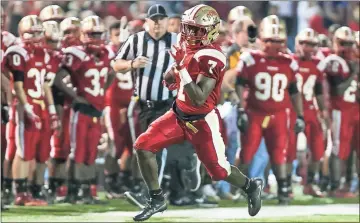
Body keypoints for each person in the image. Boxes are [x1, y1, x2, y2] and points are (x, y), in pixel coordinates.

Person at [130, 4, 263, 221]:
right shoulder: (188, 45)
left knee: (219, 172)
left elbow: (199, 96)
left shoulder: (213, 55)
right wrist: (172, 72)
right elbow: (171, 78)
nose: (190, 34)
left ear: (210, 30)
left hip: (203, 120)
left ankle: (250, 186)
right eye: (188, 28)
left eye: (196, 30)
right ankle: (156, 199)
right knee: (143, 147)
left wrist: (181, 68)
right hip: (178, 114)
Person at [235, 15, 305, 205]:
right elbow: (239, 84)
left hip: (279, 114)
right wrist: (241, 109)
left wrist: (300, 115)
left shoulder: (289, 61)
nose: (274, 44)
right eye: (269, 40)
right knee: (247, 152)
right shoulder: (250, 58)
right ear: (261, 39)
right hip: (255, 113)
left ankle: (283, 190)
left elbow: (294, 91)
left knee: (278, 153)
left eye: (277, 41)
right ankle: (240, 187)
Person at [54, 15, 115, 204]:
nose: (96, 38)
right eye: (92, 34)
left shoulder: (106, 53)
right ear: (84, 35)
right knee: (78, 151)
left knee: (91, 152)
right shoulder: (76, 53)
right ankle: (74, 190)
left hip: (96, 109)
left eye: (99, 33)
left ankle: (87, 189)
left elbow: (111, 73)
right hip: (80, 109)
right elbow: (58, 78)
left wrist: (102, 92)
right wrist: (76, 95)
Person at [4, 15, 60, 206]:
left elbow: (45, 86)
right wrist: (27, 107)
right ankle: (19, 192)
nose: (35, 37)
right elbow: (18, 86)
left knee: (41, 152)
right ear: (22, 33)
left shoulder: (45, 54)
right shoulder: (18, 52)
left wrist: (52, 110)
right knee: (23, 151)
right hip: (25, 105)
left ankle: (34, 190)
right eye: (31, 33)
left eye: (38, 32)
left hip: (41, 105)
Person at [318, 26, 358, 198]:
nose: (346, 47)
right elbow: (339, 89)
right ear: (334, 42)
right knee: (337, 148)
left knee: (351, 149)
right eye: (343, 43)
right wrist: (354, 73)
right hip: (339, 109)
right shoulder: (334, 60)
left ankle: (348, 184)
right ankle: (334, 185)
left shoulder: (353, 60)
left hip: (354, 109)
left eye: (350, 43)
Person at [292, 28, 330, 197]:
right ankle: (281, 183)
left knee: (318, 149)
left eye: (312, 44)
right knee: (285, 149)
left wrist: (324, 111)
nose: (308, 47)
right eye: (304, 43)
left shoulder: (317, 63)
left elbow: (319, 90)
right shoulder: (289, 60)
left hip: (311, 109)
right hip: (291, 110)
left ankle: (310, 183)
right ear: (297, 43)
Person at [48, 16, 82, 203]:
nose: (69, 36)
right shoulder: (59, 54)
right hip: (61, 103)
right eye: (66, 32)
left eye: (73, 31)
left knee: (74, 148)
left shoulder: (89, 52)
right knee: (59, 149)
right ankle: (52, 187)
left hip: (79, 107)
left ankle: (71, 187)